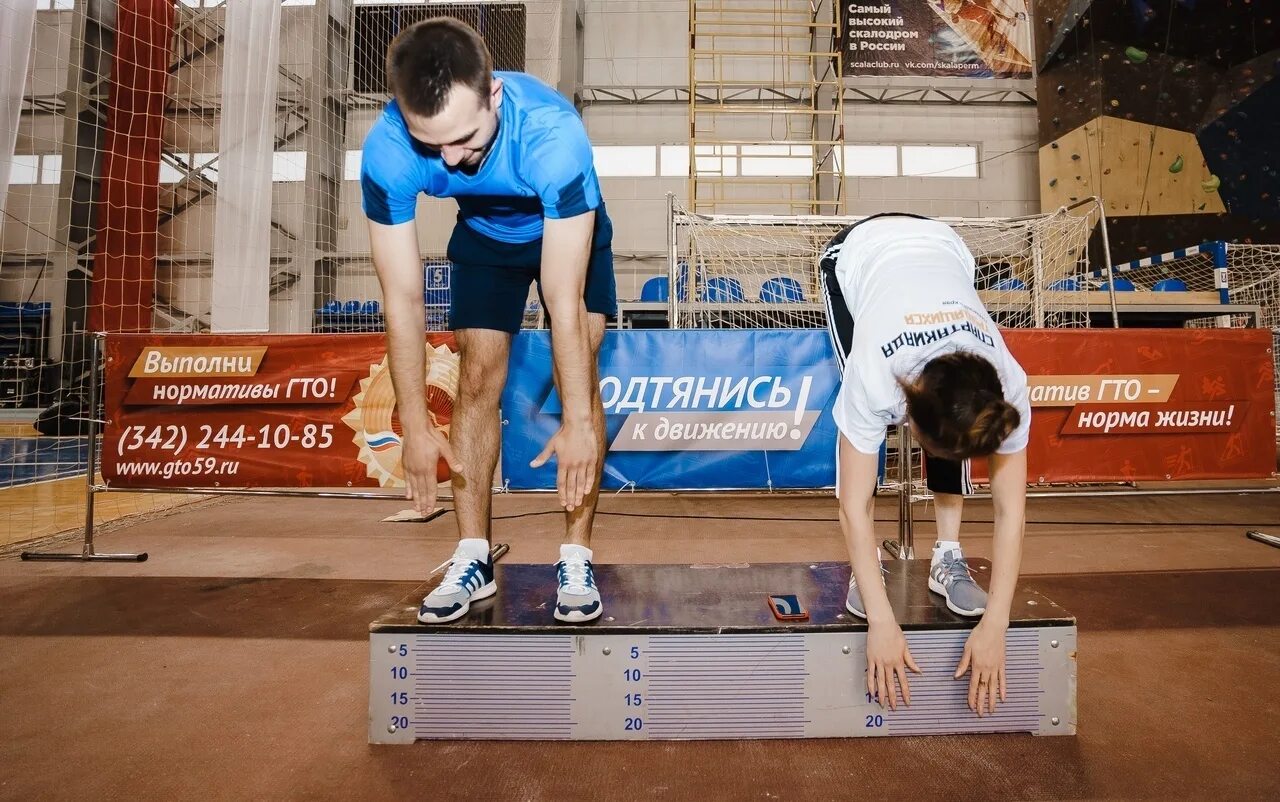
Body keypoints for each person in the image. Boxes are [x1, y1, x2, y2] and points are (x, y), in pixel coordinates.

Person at [360, 18, 616, 624]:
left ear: (494, 94)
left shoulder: (554, 136)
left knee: (581, 354)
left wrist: (577, 420)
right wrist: (416, 427)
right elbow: (402, 297)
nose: (451, 159)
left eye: (466, 138)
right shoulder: (388, 151)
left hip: (567, 229)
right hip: (484, 233)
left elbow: (562, 295)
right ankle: (472, 554)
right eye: (434, 145)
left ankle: (576, 554)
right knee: (477, 376)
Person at [819, 213, 1031, 717]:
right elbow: (852, 505)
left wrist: (996, 625)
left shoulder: (1008, 388)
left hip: (944, 245)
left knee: (961, 417)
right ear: (908, 415)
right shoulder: (874, 377)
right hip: (859, 252)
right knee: (861, 439)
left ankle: (947, 556)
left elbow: (1012, 512)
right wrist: (881, 619)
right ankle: (864, 571)